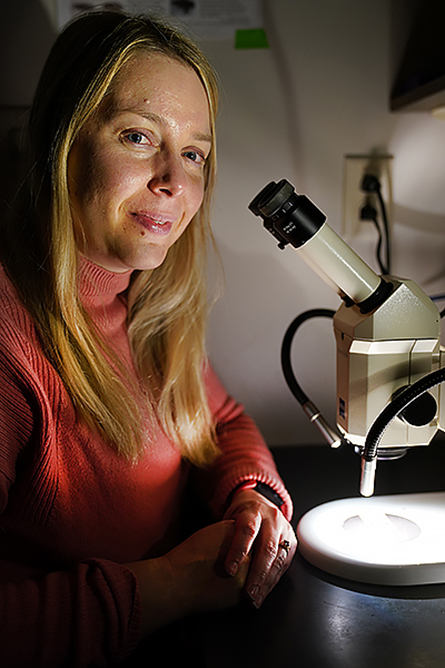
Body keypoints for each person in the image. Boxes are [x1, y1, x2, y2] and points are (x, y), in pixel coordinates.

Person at [0, 9, 296, 667]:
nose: (173, 179)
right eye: (137, 137)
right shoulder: (9, 339)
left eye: (193, 153)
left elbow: (219, 418)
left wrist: (253, 497)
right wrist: (167, 586)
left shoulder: (144, 299)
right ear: (61, 140)